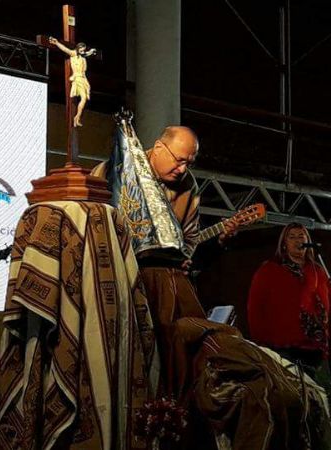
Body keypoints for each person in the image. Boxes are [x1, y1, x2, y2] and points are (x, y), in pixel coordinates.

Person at [91, 125, 232, 393]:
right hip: (118, 279)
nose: (182, 169)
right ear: (158, 148)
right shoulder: (114, 171)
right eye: (179, 160)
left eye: (189, 163)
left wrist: (187, 257)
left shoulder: (188, 184)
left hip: (165, 285)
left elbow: (188, 237)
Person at [247, 223, 331, 448]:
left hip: (315, 348)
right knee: (290, 402)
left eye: (302, 236)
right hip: (282, 348)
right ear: (284, 242)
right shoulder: (269, 270)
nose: (298, 240)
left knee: (324, 400)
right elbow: (255, 308)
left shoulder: (318, 271)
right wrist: (261, 344)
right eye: (292, 237)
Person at [48, 36, 97, 127]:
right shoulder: (73, 54)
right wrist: (56, 43)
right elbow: (65, 49)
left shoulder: (83, 56)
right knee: (83, 98)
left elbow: (88, 53)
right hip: (78, 79)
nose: (82, 52)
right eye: (81, 50)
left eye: (83, 51)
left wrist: (92, 51)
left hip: (84, 80)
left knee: (85, 98)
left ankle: (77, 117)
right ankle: (77, 117)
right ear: (77, 49)